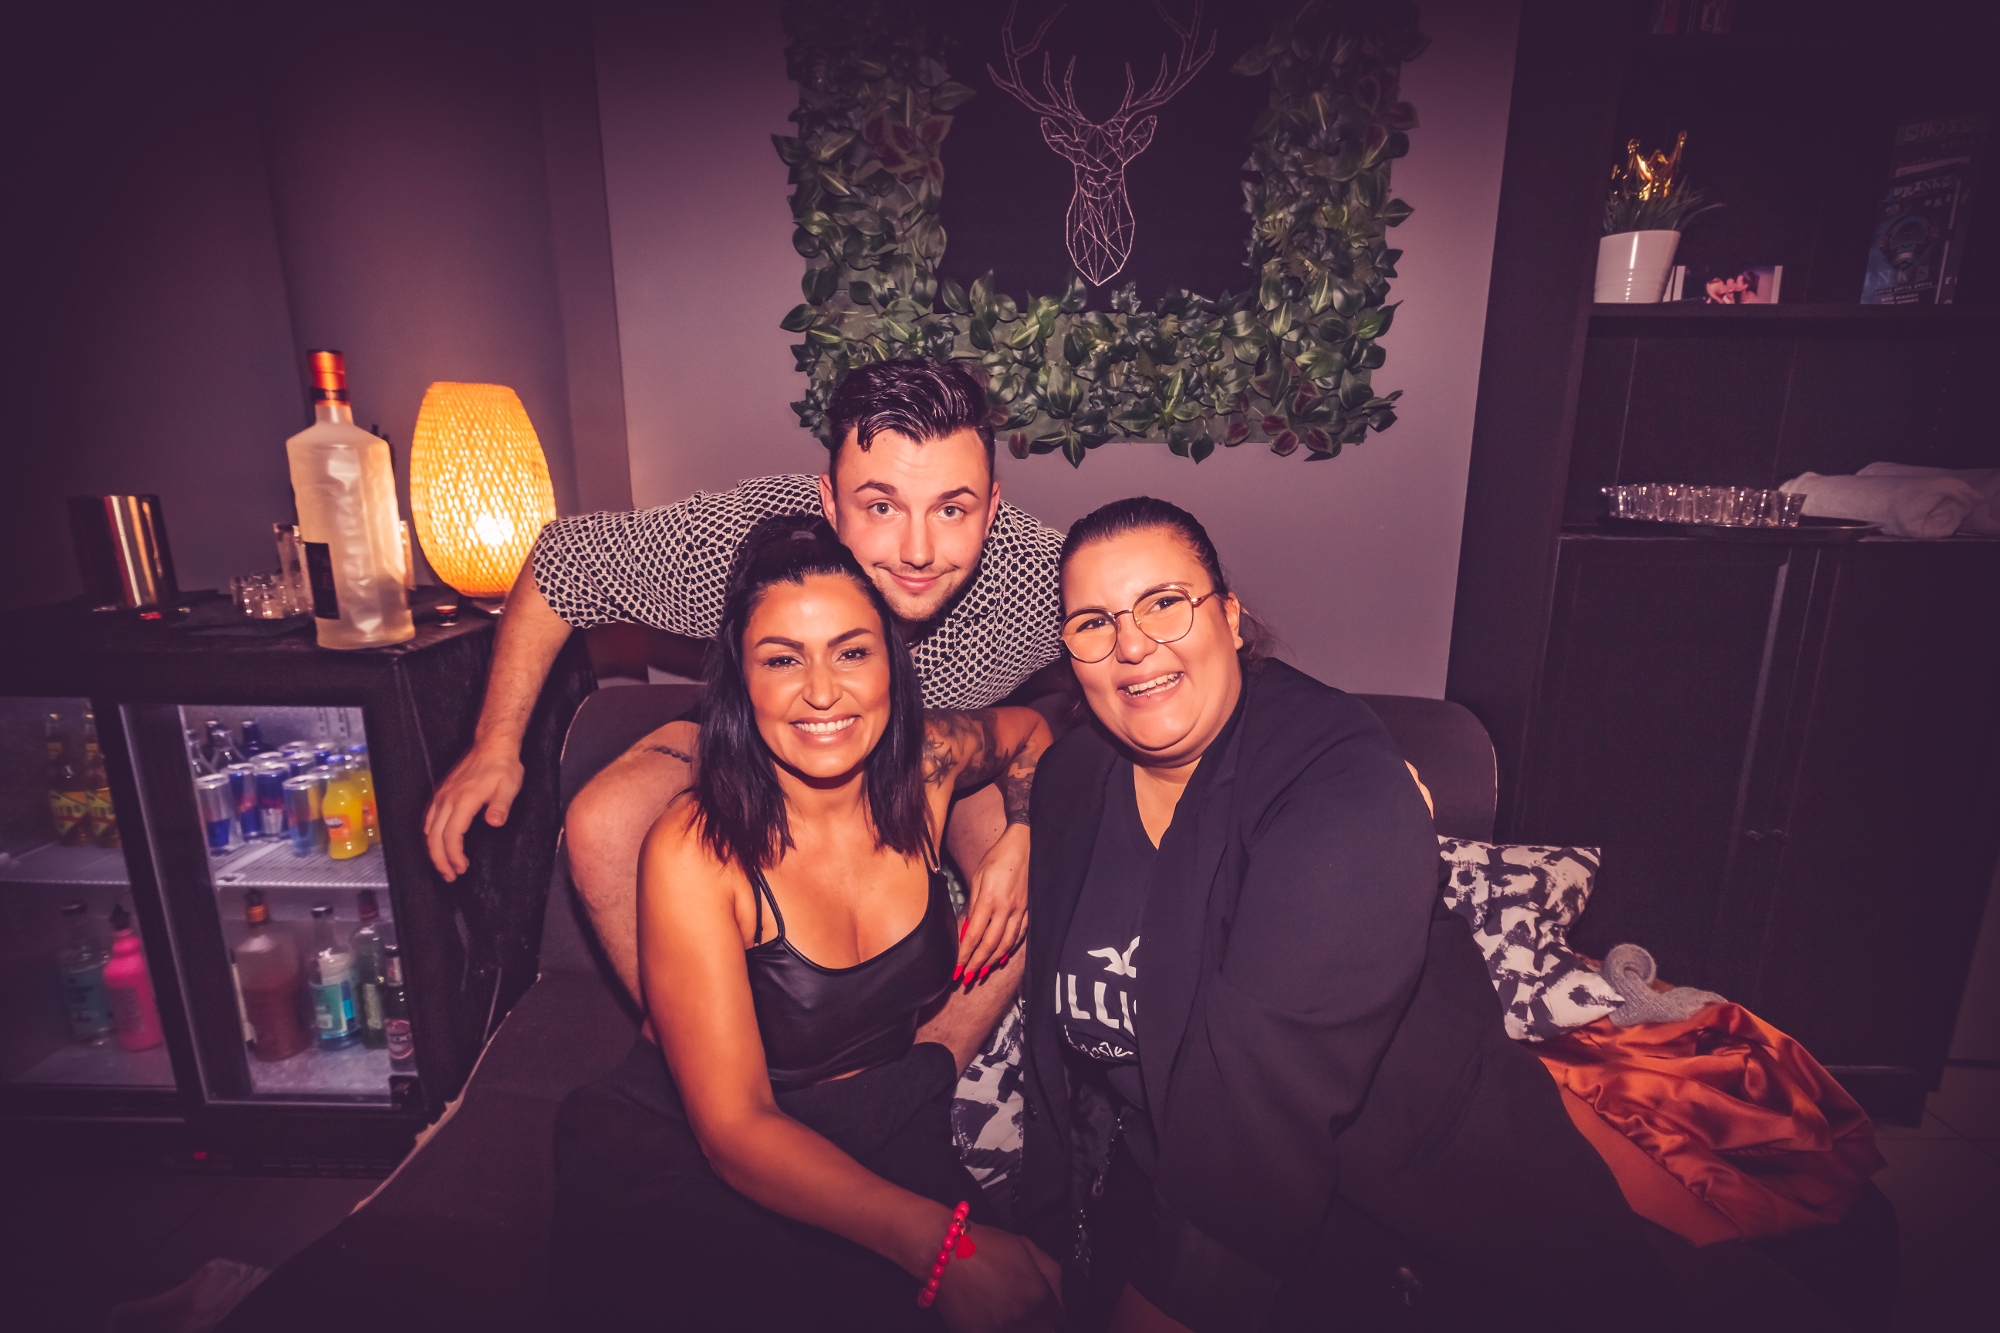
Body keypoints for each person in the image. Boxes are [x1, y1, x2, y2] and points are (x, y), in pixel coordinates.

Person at [1012, 498, 1684, 1331]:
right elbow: (1061, 1072)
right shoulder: (1074, 777)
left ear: (1230, 616)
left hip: (1410, 1235)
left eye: (1164, 602)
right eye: (1093, 622)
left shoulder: (1339, 778)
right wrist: (1046, 1227)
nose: (1133, 644)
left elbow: (1258, 1105)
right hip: (1153, 1210)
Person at [422, 359, 1063, 1011]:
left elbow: (1117, 665)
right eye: (881, 506)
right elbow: (563, 561)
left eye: (952, 509)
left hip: (950, 748)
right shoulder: (749, 542)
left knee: (1035, 870)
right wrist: (495, 744)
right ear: (829, 503)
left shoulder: (1043, 579)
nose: (918, 550)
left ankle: (928, 1062)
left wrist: (1027, 828)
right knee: (601, 821)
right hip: (765, 735)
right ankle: (687, 1040)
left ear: (991, 509)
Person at [552, 516, 1063, 1331]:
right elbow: (734, 1127)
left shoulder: (930, 765)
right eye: (783, 659)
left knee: (1036, 1297)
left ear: (892, 664)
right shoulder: (699, 849)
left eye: (851, 652)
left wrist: (1023, 838)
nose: (822, 691)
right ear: (742, 679)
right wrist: (941, 1246)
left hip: (885, 1115)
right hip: (710, 1154)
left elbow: (1032, 734)